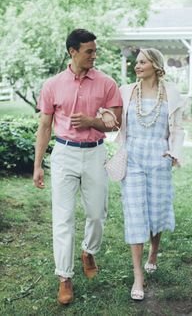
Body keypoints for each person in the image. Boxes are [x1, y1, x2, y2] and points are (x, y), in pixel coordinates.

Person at [33, 28, 122, 305]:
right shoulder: (52, 85)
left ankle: (88, 250)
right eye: (89, 51)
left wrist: (93, 122)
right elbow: (45, 126)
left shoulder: (107, 83)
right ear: (73, 52)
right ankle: (65, 277)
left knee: (97, 214)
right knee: (63, 218)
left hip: (95, 154)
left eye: (95, 51)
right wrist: (38, 165)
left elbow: (116, 122)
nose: (94, 56)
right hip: (64, 154)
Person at [102, 48, 184, 301]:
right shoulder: (126, 91)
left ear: (155, 65)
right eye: (136, 62)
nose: (137, 66)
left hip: (159, 158)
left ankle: (153, 253)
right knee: (136, 213)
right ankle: (138, 276)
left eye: (142, 62)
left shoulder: (171, 93)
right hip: (133, 157)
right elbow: (114, 120)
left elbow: (178, 129)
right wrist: (104, 117)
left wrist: (173, 152)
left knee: (156, 210)